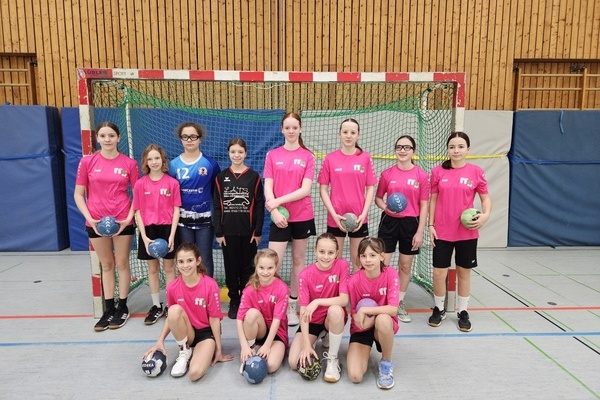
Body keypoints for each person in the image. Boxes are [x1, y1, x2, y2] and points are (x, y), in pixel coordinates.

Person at [74, 121, 139, 332]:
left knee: (122, 263)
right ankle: (108, 308)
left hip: (122, 221)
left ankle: (123, 306)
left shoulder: (129, 163)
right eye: (103, 136)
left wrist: (128, 218)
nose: (107, 139)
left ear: (118, 137)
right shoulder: (87, 162)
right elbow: (78, 194)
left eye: (111, 135)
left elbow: (137, 194)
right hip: (96, 222)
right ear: (97, 138)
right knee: (107, 265)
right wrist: (90, 218)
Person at [428, 131, 491, 332]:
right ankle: (439, 309)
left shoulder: (476, 172)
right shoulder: (438, 172)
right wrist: (430, 225)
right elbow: (433, 200)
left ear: (468, 149)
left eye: (461, 146)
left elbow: (485, 198)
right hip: (442, 231)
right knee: (439, 273)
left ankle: (463, 311)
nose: (456, 150)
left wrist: (486, 215)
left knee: (464, 272)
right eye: (452, 147)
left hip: (467, 232)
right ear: (448, 149)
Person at [142, 242, 234, 380]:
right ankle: (185, 351)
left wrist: (218, 349)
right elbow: (171, 317)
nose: (185, 265)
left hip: (206, 333)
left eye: (190, 260)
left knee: (194, 374)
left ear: (198, 261)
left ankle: (201, 350)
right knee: (173, 310)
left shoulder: (210, 285)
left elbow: (214, 319)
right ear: (176, 263)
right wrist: (160, 341)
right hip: (187, 332)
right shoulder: (172, 287)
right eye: (181, 262)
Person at [263, 112, 316, 326]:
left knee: (298, 261)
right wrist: (274, 211)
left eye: (295, 127)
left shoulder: (308, 156)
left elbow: (305, 190)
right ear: (282, 130)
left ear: (300, 129)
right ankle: (273, 304)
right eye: (287, 127)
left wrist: (277, 201)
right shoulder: (272, 155)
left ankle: (293, 305)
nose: (291, 131)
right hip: (278, 216)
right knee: (272, 262)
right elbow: (268, 185)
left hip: (302, 215)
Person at [375, 135, 429, 323]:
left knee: (405, 265)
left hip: (411, 224)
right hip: (389, 222)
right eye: (399, 147)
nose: (402, 150)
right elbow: (378, 198)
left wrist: (420, 231)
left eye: (407, 147)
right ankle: (382, 300)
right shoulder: (387, 174)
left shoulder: (421, 176)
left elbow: (424, 205)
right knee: (383, 264)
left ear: (413, 151)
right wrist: (386, 208)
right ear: (395, 150)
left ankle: (398, 302)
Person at [213, 138, 265, 320]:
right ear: (228, 153)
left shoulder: (254, 177)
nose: (237, 155)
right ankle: (234, 300)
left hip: (249, 233)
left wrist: (257, 231)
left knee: (248, 268)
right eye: (233, 152)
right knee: (231, 268)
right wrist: (219, 232)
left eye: (240, 152)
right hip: (228, 234)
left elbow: (259, 205)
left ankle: (246, 298)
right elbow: (217, 206)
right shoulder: (221, 177)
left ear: (246, 153)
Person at [288, 233, 349, 383]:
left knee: (335, 310)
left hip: (331, 317)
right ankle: (319, 335)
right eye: (322, 252)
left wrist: (318, 301)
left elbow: (344, 300)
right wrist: (306, 346)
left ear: (337, 253)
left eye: (330, 252)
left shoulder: (342, 266)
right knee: (294, 362)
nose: (326, 257)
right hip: (312, 320)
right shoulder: (305, 275)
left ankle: (332, 359)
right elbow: (304, 312)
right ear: (315, 251)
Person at [318, 118, 377, 272]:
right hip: (336, 218)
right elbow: (323, 189)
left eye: (352, 132)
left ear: (358, 135)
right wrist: (334, 214)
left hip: (358, 218)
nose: (349, 135)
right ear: (339, 134)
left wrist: (363, 214)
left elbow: (370, 188)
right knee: (334, 260)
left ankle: (357, 288)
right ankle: (337, 287)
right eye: (345, 132)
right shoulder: (330, 159)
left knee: (358, 259)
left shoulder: (365, 158)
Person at [133, 144, 181, 325]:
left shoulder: (172, 183)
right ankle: (155, 305)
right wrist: (144, 237)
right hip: (149, 231)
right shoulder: (140, 184)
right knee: (152, 269)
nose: (154, 162)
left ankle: (170, 304)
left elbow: (176, 210)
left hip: (167, 229)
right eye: (150, 159)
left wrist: (172, 235)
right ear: (145, 161)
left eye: (157, 158)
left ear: (163, 160)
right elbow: (137, 211)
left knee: (169, 268)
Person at [346, 237, 399, 390]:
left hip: (383, 326)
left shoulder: (390, 274)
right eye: (363, 256)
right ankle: (364, 351)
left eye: (372, 255)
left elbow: (393, 309)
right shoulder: (354, 281)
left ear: (382, 256)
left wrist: (366, 311)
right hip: (362, 328)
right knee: (355, 376)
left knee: (383, 319)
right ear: (359, 258)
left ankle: (386, 363)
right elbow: (354, 314)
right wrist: (362, 321)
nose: (368, 260)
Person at [169, 122, 221, 277]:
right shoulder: (173, 165)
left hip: (205, 220)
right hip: (182, 221)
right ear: (180, 139)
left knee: (204, 257)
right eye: (185, 137)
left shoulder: (210, 164)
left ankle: (208, 289)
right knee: (186, 257)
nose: (189, 140)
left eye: (193, 136)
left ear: (200, 139)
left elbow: (216, 192)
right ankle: (188, 288)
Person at [236, 249, 289, 374]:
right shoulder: (249, 289)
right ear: (256, 267)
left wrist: (267, 345)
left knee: (270, 366)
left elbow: (277, 320)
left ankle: (264, 348)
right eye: (261, 268)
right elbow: (239, 320)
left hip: (277, 334)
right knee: (251, 314)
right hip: (259, 331)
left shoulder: (282, 288)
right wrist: (244, 346)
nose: (265, 272)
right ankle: (251, 348)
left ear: (276, 267)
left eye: (270, 268)